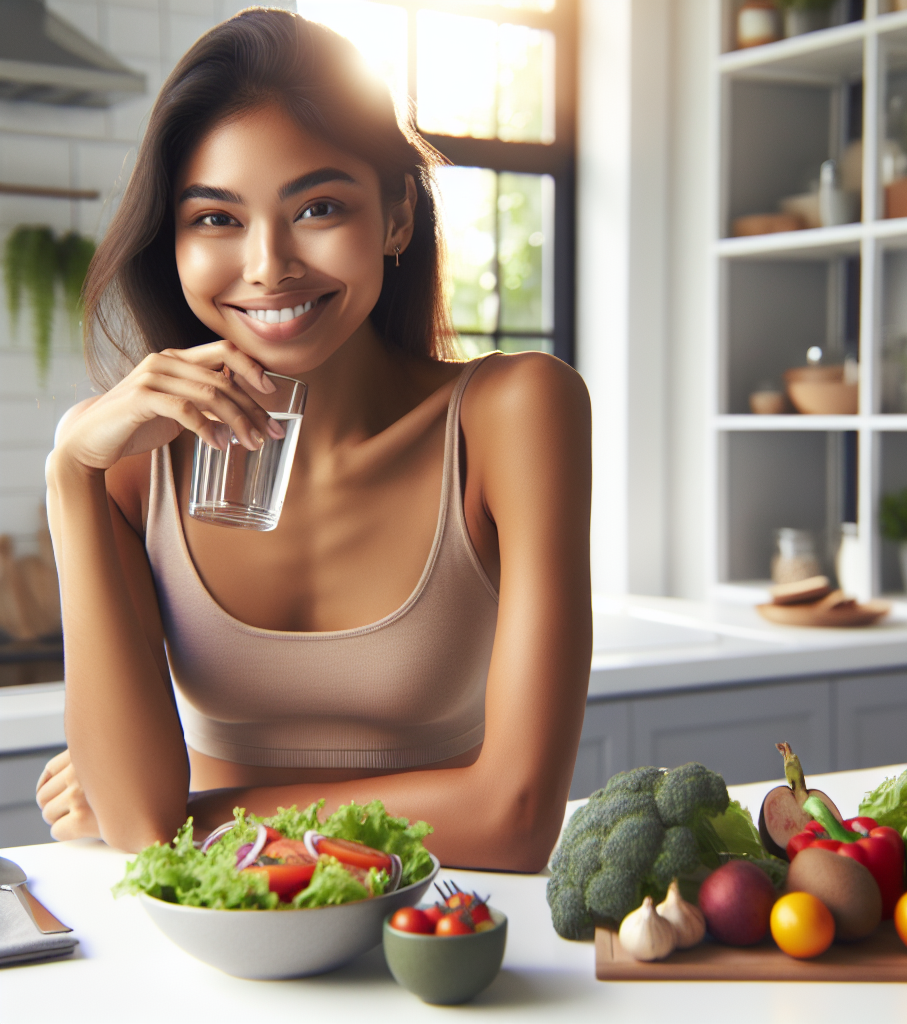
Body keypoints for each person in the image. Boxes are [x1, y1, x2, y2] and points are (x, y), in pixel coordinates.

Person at [36, 9, 591, 873]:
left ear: (397, 215)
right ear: (173, 240)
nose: (268, 266)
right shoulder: (131, 464)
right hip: (222, 945)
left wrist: (202, 814)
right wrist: (70, 467)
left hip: (435, 933)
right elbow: (144, 824)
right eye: (217, 219)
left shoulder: (514, 414)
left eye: (318, 207)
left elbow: (514, 818)